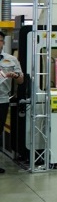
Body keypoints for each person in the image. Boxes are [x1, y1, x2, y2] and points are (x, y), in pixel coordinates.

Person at [0, 30, 24, 174]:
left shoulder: (11, 60)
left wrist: (15, 76)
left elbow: (21, 80)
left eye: (0, 40)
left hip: (2, 100)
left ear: (3, 42)